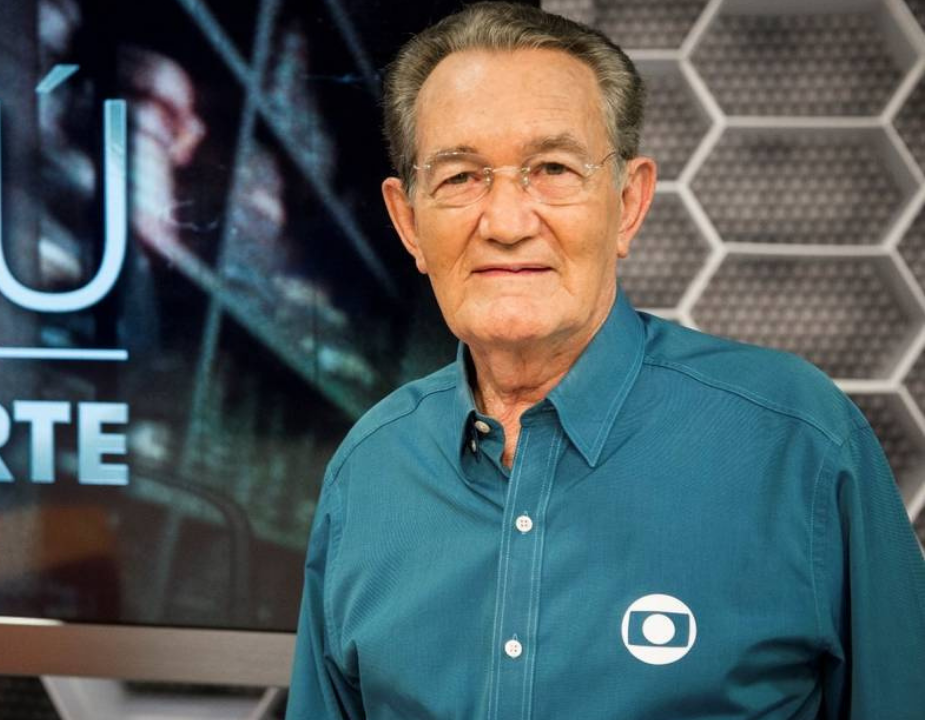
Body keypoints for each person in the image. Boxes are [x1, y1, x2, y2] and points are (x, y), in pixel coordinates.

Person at [285, 3, 925, 719]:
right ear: (409, 221)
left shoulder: (801, 446)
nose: (504, 222)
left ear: (628, 203)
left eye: (552, 168)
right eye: (461, 177)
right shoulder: (366, 475)